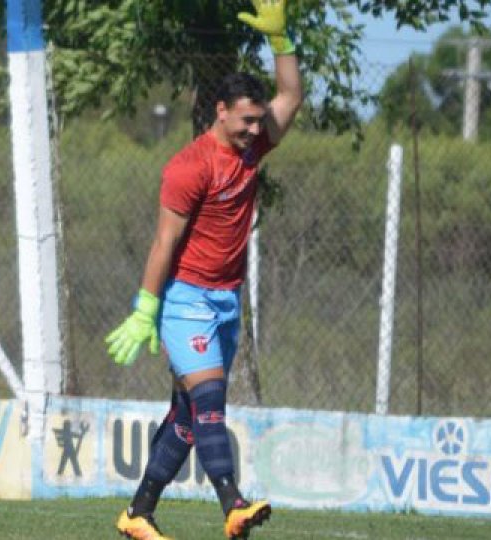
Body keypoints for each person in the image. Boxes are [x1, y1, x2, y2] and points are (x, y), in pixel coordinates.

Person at [104, 1, 302, 539]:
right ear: (220, 111)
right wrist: (147, 309)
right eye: (245, 121)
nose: (254, 130)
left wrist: (281, 40)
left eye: (258, 121)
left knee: (188, 419)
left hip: (226, 300)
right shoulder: (189, 167)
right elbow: (164, 241)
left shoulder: (253, 147)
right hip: (186, 300)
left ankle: (138, 514)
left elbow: (292, 96)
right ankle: (231, 504)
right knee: (211, 401)